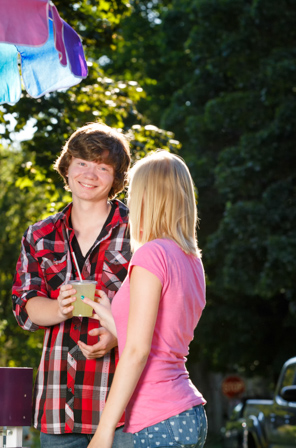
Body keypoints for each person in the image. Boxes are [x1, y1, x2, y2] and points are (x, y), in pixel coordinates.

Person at [12, 122, 133, 448]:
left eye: (102, 167)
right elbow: (25, 305)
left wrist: (118, 334)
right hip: (58, 406)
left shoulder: (138, 231)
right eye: (82, 163)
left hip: (124, 407)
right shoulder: (40, 234)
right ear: (66, 168)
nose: (89, 174)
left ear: (116, 179)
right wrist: (58, 307)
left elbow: (159, 305)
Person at [83, 151, 207, 448]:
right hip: (187, 413)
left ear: (147, 198)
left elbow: (138, 352)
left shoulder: (151, 255)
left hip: (157, 419)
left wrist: (104, 431)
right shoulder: (191, 260)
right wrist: (111, 315)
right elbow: (162, 337)